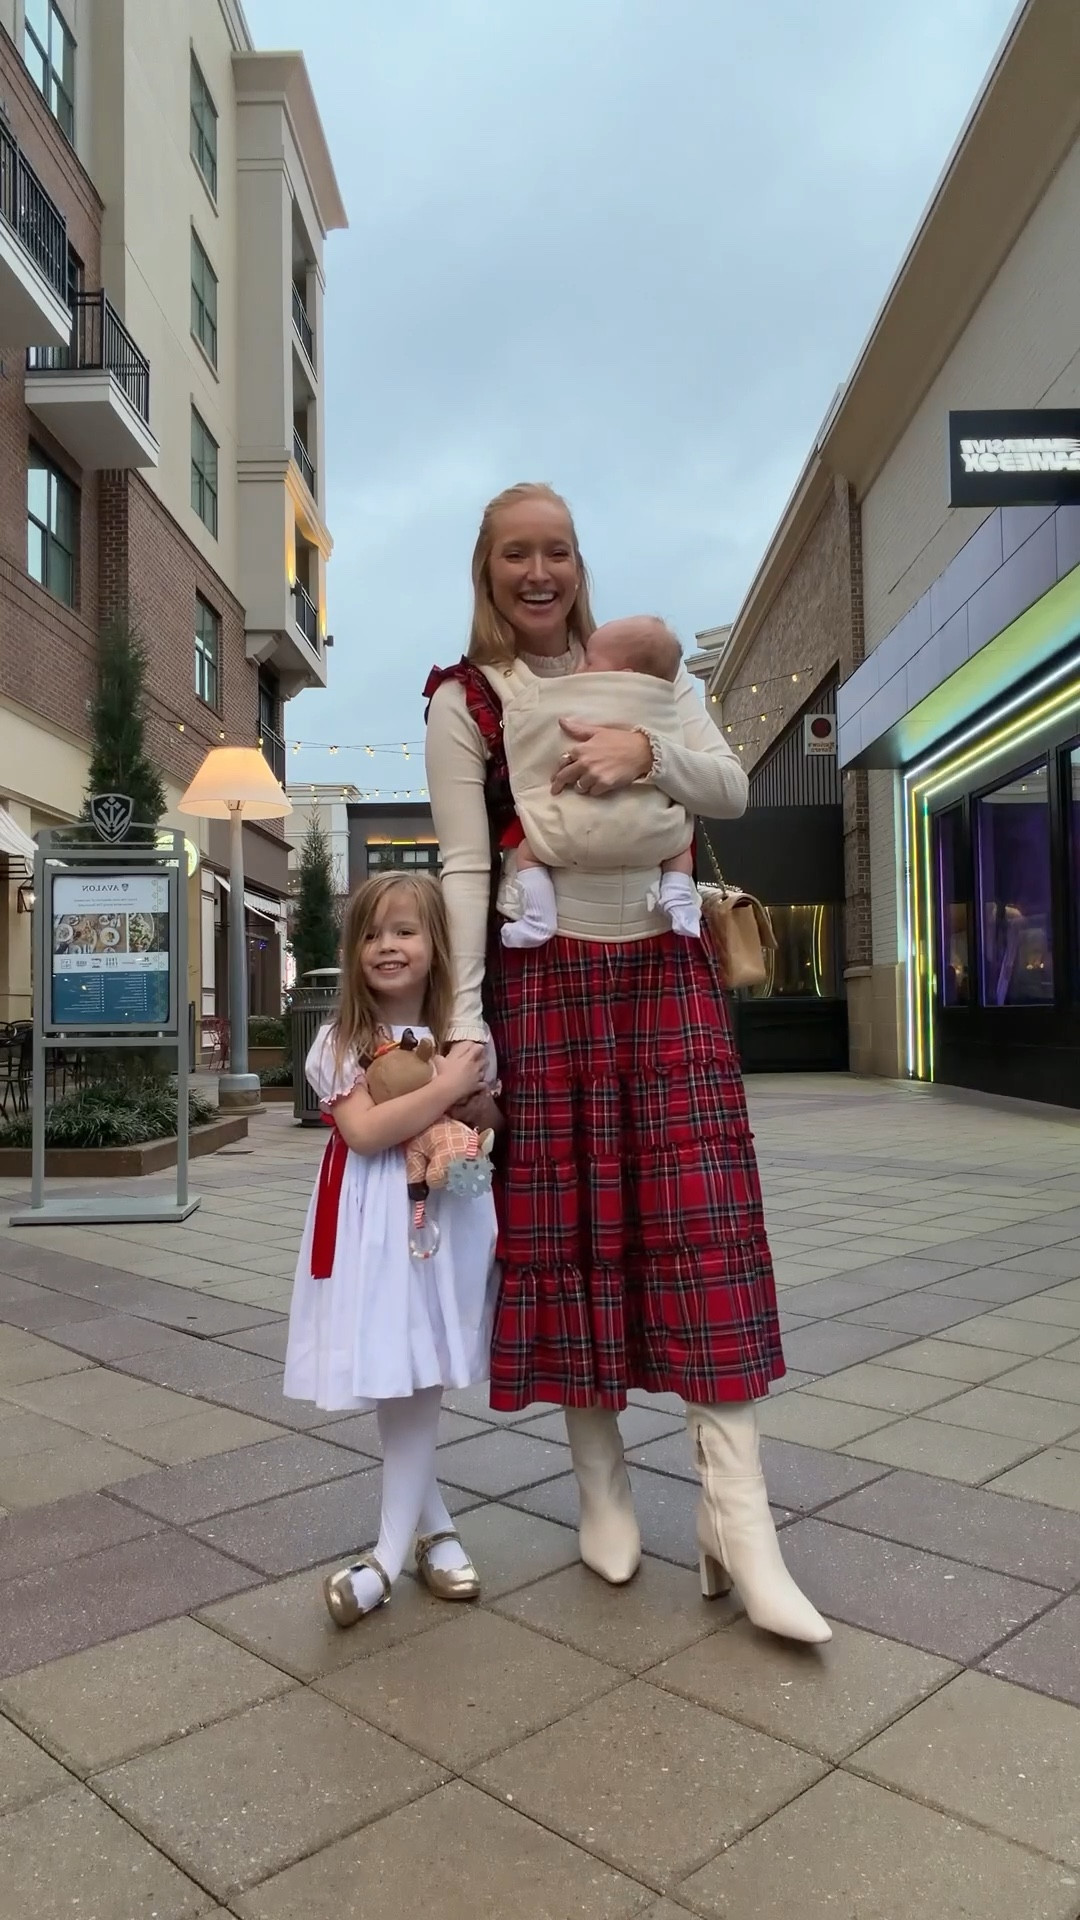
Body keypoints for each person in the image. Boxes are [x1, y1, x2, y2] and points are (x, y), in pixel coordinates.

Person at [424, 481, 830, 1644]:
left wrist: (651, 745)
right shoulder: (467, 701)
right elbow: (462, 867)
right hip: (542, 984)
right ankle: (601, 1487)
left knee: (701, 1227)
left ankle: (738, 1521)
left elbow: (734, 790)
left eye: (555, 550)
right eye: (515, 554)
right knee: (572, 1231)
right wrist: (466, 1022)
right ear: (487, 568)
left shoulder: (660, 680)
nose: (538, 572)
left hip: (663, 971)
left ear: (576, 561)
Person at [283, 870, 499, 1627]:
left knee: (415, 1370)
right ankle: (392, 1553)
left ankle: (428, 1532)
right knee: (399, 1369)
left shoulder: (468, 1037)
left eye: (405, 931)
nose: (387, 947)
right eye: (371, 934)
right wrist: (445, 1087)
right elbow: (366, 1130)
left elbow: (485, 1113)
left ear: (436, 944)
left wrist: (472, 1104)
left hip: (445, 1216)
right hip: (372, 1218)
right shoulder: (341, 1039)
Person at [500, 614, 700, 948]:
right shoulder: (667, 709)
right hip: (655, 833)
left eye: (590, 662)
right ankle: (679, 898)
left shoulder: (571, 704)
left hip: (576, 833)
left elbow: (533, 737)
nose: (579, 671)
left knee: (528, 853)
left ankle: (538, 918)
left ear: (623, 677)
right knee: (681, 846)